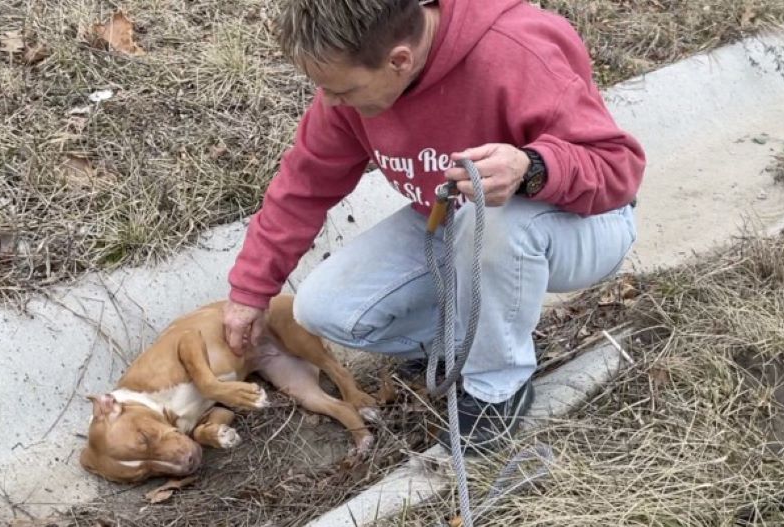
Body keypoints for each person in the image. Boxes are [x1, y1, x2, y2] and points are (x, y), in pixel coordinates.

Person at [222, 0, 645, 452]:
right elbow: (304, 185)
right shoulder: (357, 74)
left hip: (580, 221)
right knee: (325, 308)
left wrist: (531, 167)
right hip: (451, 222)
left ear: (399, 60)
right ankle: (473, 344)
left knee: (499, 225)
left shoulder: (514, 49)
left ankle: (498, 387)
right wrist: (250, 290)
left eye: (342, 90)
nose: (330, 101)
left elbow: (618, 167)